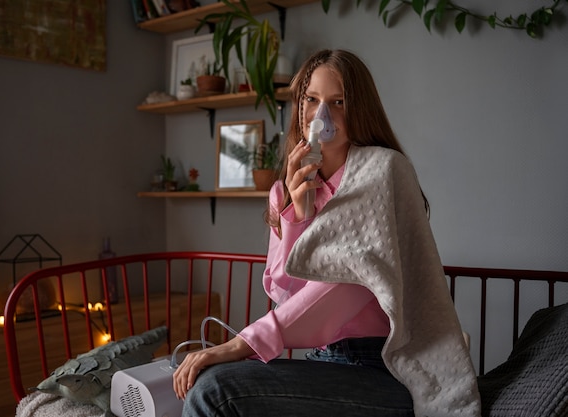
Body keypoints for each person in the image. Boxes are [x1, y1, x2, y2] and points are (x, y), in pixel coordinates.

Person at [173, 49, 480, 417]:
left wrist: (240, 343)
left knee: (216, 391)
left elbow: (352, 278)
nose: (323, 115)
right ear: (300, 105)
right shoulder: (284, 191)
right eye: (312, 99)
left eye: (338, 102)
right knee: (214, 381)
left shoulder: (384, 171)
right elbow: (285, 294)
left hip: (383, 364)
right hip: (321, 360)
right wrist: (297, 217)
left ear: (359, 109)